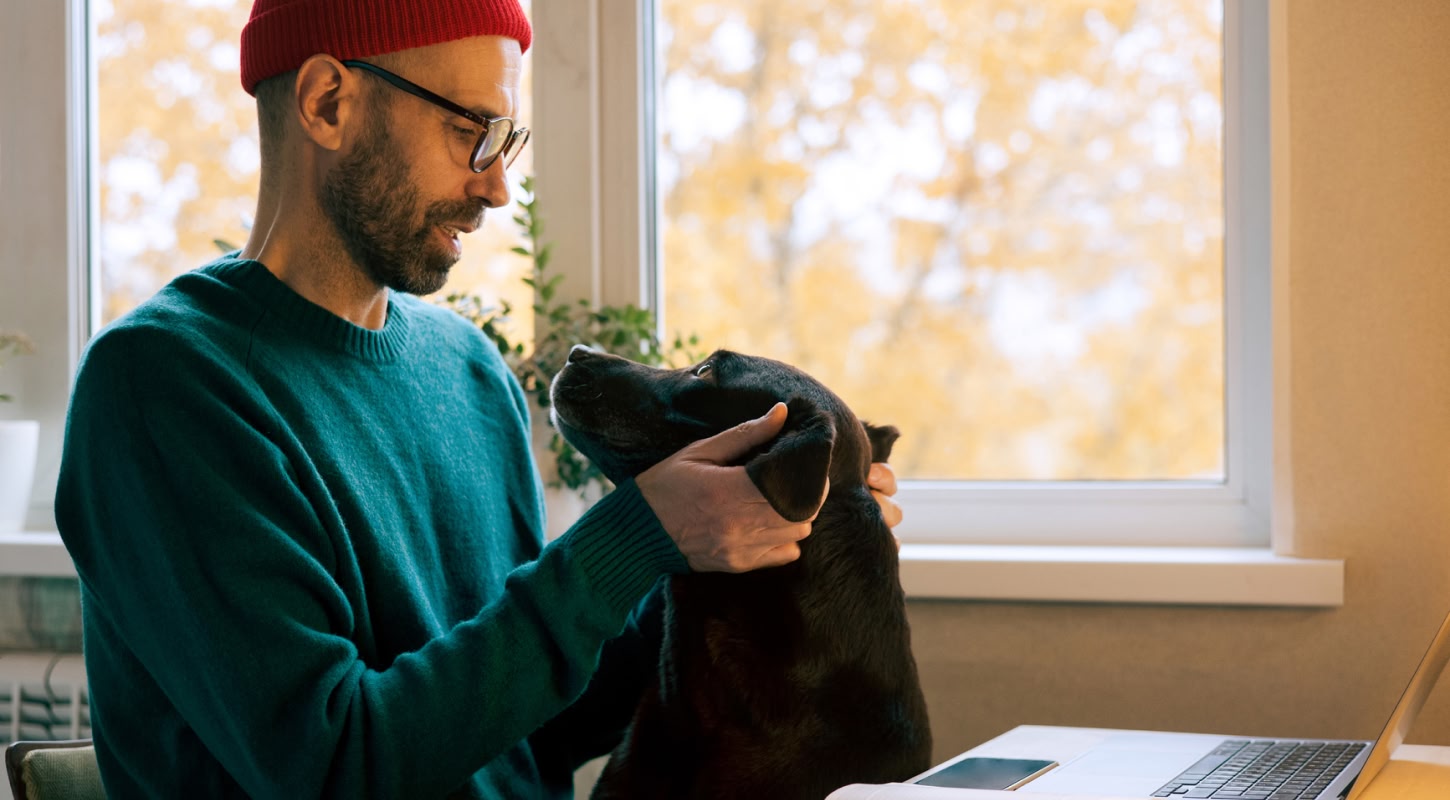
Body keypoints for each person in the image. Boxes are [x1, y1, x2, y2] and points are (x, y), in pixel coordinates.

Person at [55, 1, 903, 797]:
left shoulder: (466, 368)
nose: (497, 187)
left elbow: (523, 729)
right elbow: (331, 766)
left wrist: (742, 543)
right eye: (471, 130)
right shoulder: (164, 387)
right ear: (326, 102)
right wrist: (636, 537)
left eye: (508, 140)